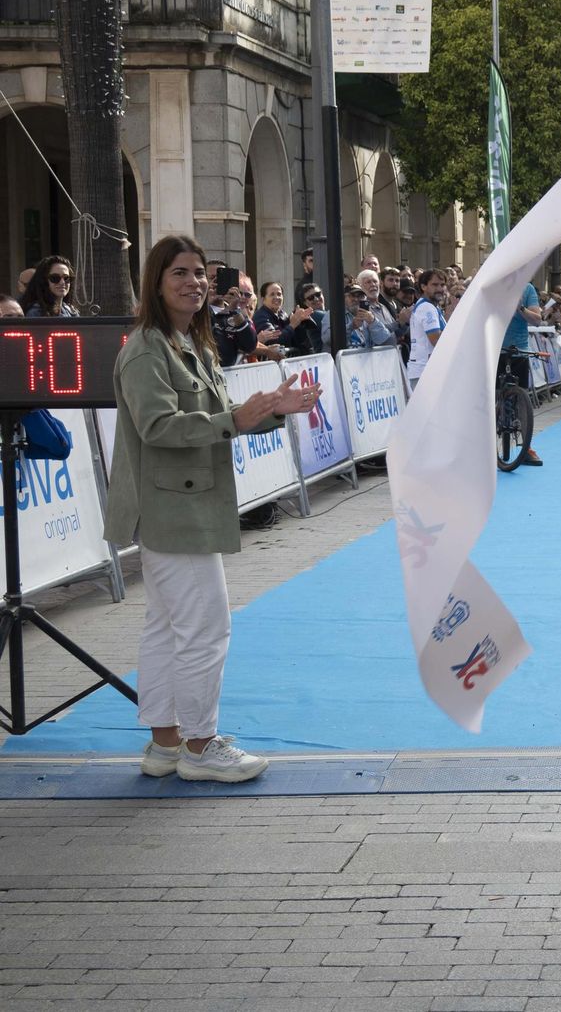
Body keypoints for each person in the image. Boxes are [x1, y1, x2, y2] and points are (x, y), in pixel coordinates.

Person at [104, 235, 322, 782]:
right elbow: (159, 427)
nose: (194, 282)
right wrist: (237, 418)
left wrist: (273, 409)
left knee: (166, 628)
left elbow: (223, 414)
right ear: (156, 282)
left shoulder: (190, 344)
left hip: (183, 505)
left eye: (200, 272)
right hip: (171, 511)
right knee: (206, 629)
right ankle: (200, 747)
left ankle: (166, 745)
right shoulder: (146, 350)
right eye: (180, 272)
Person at [499, 277, 546, 466]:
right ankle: (486, 446)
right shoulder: (494, 286)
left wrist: (520, 308)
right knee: (493, 398)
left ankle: (526, 448)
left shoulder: (527, 289)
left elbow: (537, 320)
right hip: (495, 349)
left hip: (519, 349)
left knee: (522, 400)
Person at [405, 269, 447, 389]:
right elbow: (436, 339)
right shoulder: (427, 308)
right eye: (435, 285)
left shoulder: (429, 306)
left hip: (425, 370)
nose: (440, 289)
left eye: (442, 285)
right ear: (423, 286)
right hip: (425, 371)